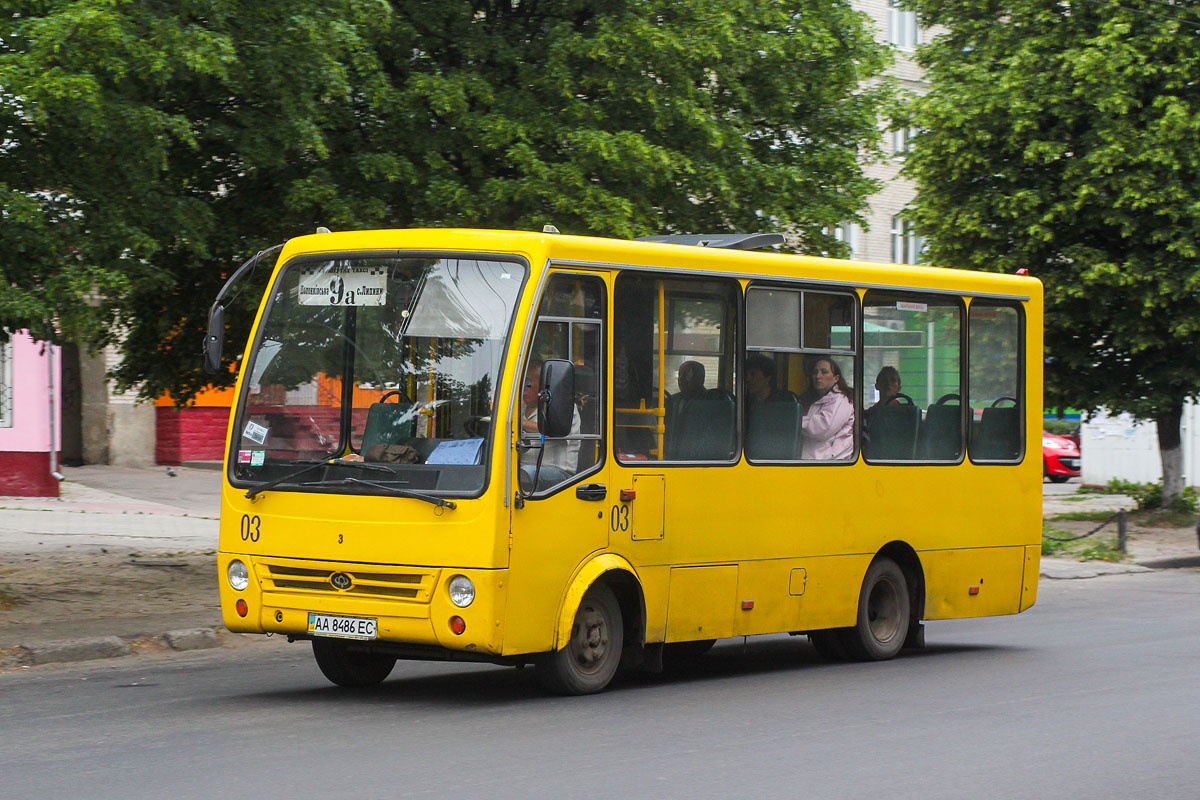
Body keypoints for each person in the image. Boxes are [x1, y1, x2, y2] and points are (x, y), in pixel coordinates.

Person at [520, 362, 581, 475]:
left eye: (528, 383)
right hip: (523, 470)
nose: (523, 389)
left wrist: (519, 423)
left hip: (558, 472)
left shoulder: (565, 407)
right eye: (521, 383)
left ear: (543, 386)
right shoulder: (520, 409)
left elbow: (553, 427)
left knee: (525, 473)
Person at [800, 357, 854, 460]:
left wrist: (794, 422)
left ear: (836, 378)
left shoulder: (841, 399)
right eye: (815, 372)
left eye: (824, 372)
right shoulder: (814, 398)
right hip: (817, 460)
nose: (818, 376)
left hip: (833, 462)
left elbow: (823, 428)